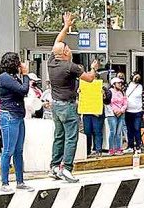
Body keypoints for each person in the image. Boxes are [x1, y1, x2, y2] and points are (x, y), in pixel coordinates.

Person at [48, 12, 100, 183]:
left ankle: (54, 166)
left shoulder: (51, 62)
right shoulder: (71, 67)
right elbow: (90, 79)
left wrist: (66, 26)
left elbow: (57, 42)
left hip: (55, 105)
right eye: (67, 48)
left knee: (58, 135)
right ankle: (67, 168)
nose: (69, 49)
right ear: (64, 53)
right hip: (68, 106)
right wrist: (94, 68)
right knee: (72, 137)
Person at [0, 52, 35, 193]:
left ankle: (20, 181)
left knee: (19, 150)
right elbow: (23, 90)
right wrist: (25, 74)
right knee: (8, 150)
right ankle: (4, 183)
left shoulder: (12, 77)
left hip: (17, 116)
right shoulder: (4, 78)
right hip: (9, 116)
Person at [78, 76, 105, 157]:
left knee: (97, 131)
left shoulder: (101, 87)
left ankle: (98, 150)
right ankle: (87, 150)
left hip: (97, 113)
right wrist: (79, 92)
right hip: (87, 112)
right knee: (87, 132)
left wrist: (104, 95)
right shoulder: (83, 86)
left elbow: (108, 99)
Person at [104, 77, 127, 155]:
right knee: (112, 131)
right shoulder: (109, 92)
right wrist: (115, 111)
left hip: (121, 114)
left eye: (121, 83)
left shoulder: (122, 92)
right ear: (113, 84)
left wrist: (121, 110)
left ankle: (118, 148)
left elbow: (125, 102)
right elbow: (108, 103)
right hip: (111, 114)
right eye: (118, 83)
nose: (120, 84)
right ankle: (111, 149)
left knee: (118, 132)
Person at [125, 73, 144, 153]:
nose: (137, 78)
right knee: (129, 130)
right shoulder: (126, 86)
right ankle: (130, 146)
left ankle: (138, 146)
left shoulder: (142, 87)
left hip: (138, 111)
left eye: (138, 77)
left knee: (137, 129)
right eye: (136, 77)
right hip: (127, 111)